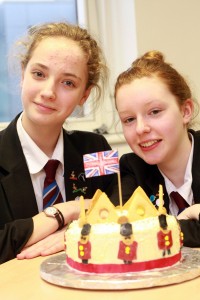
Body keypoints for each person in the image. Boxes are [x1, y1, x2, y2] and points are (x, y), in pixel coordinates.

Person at [0, 22, 117, 264]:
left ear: (84, 95)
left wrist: (74, 233)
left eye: (68, 83)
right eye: (39, 74)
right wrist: (63, 212)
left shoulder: (95, 149)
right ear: (23, 74)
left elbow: (117, 213)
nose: (48, 92)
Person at [112, 50, 200, 247]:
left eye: (155, 112)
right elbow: (118, 230)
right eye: (129, 119)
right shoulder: (132, 168)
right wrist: (183, 219)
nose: (141, 128)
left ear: (185, 111)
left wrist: (159, 228)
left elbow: (144, 232)